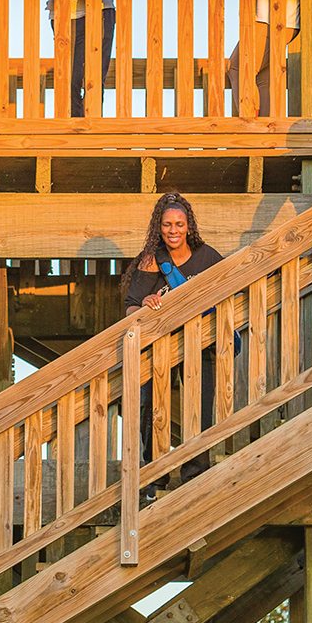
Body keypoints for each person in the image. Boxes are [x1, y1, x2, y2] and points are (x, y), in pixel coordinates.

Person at [122, 193, 224, 499]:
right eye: (167, 224)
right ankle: (155, 480)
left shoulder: (206, 256)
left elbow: (229, 284)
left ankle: (195, 475)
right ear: (159, 227)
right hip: (160, 351)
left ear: (189, 226)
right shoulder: (153, 260)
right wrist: (145, 304)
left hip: (201, 345)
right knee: (153, 412)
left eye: (180, 224)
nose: (173, 230)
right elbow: (129, 308)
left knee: (200, 411)